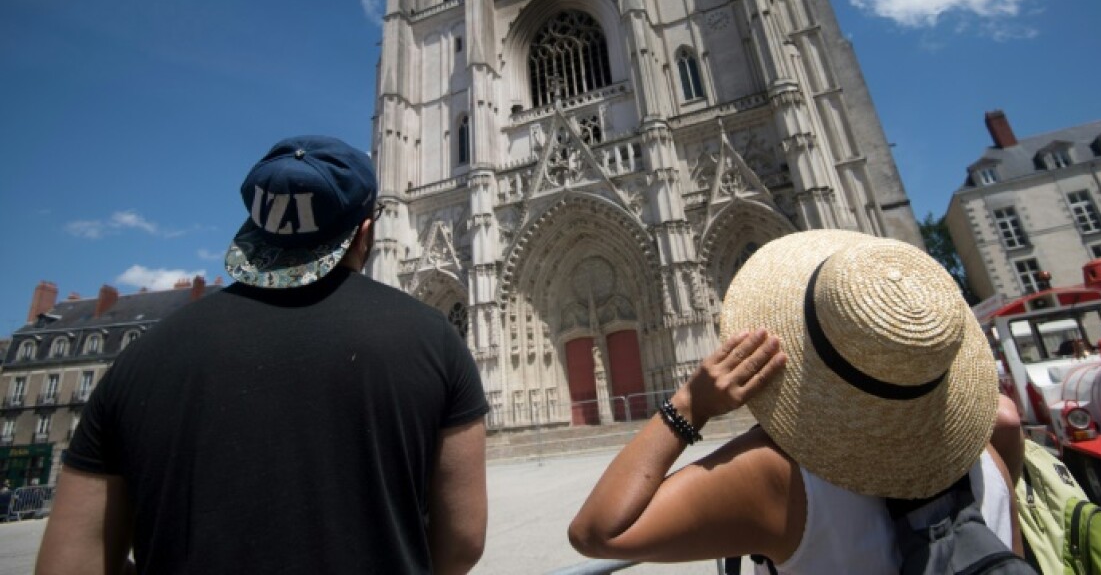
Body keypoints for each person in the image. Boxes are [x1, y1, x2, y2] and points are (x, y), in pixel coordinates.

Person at [36, 135, 489, 574]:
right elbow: (463, 543)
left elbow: (69, 564)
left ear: (252, 229)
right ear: (364, 233)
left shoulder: (139, 361)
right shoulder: (434, 340)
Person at [569, 230, 1023, 573]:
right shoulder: (992, 453)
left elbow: (599, 531)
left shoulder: (777, 477)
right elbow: (1005, 419)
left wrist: (690, 404)